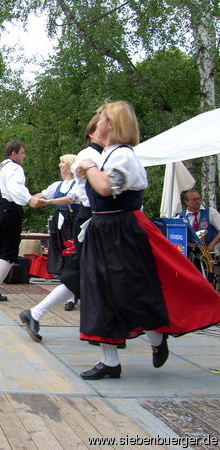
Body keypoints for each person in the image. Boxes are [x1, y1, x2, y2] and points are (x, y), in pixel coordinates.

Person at [76, 100, 220, 380]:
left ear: (113, 125)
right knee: (99, 291)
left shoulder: (124, 156)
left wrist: (89, 167)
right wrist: (85, 173)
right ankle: (109, 361)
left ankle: (156, 338)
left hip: (122, 231)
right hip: (102, 228)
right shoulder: (106, 156)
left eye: (102, 117)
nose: (97, 121)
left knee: (130, 290)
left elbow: (106, 187)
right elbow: (89, 196)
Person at [20, 114, 104, 341]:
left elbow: (73, 195)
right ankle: (103, 329)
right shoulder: (86, 160)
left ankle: (105, 327)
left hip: (87, 220)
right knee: (80, 269)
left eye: (62, 162)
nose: (59, 165)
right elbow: (71, 195)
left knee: (84, 270)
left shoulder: (104, 156)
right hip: (84, 220)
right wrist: (31, 199)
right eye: (103, 127)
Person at [0, 140, 44, 304]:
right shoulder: (15, 168)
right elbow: (15, 188)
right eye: (23, 152)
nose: (24, 156)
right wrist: (29, 199)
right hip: (9, 209)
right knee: (8, 252)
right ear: (14, 153)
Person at [40, 154, 79, 277]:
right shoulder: (57, 185)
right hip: (59, 220)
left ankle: (72, 277)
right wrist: (27, 199)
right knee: (59, 248)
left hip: (73, 219)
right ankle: (63, 275)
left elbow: (70, 199)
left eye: (62, 162)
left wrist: (49, 202)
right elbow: (43, 195)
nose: (60, 165)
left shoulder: (78, 183)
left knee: (72, 249)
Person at [178, 189, 220, 265]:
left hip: (207, 251)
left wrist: (212, 244)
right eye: (194, 200)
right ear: (186, 202)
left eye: (199, 199)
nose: (197, 201)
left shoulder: (211, 212)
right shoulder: (181, 217)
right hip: (189, 252)